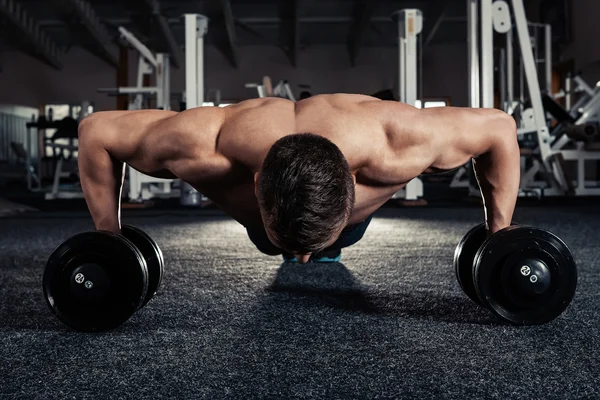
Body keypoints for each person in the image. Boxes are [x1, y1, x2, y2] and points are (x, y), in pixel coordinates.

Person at [77, 94, 519, 264]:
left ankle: (323, 238)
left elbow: (500, 128)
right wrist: (107, 237)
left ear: (354, 183)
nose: (303, 254)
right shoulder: (201, 145)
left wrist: (500, 235)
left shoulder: (396, 144)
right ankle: (286, 237)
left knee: (319, 245)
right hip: (262, 225)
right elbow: (95, 131)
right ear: (255, 185)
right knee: (279, 244)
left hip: (345, 224)